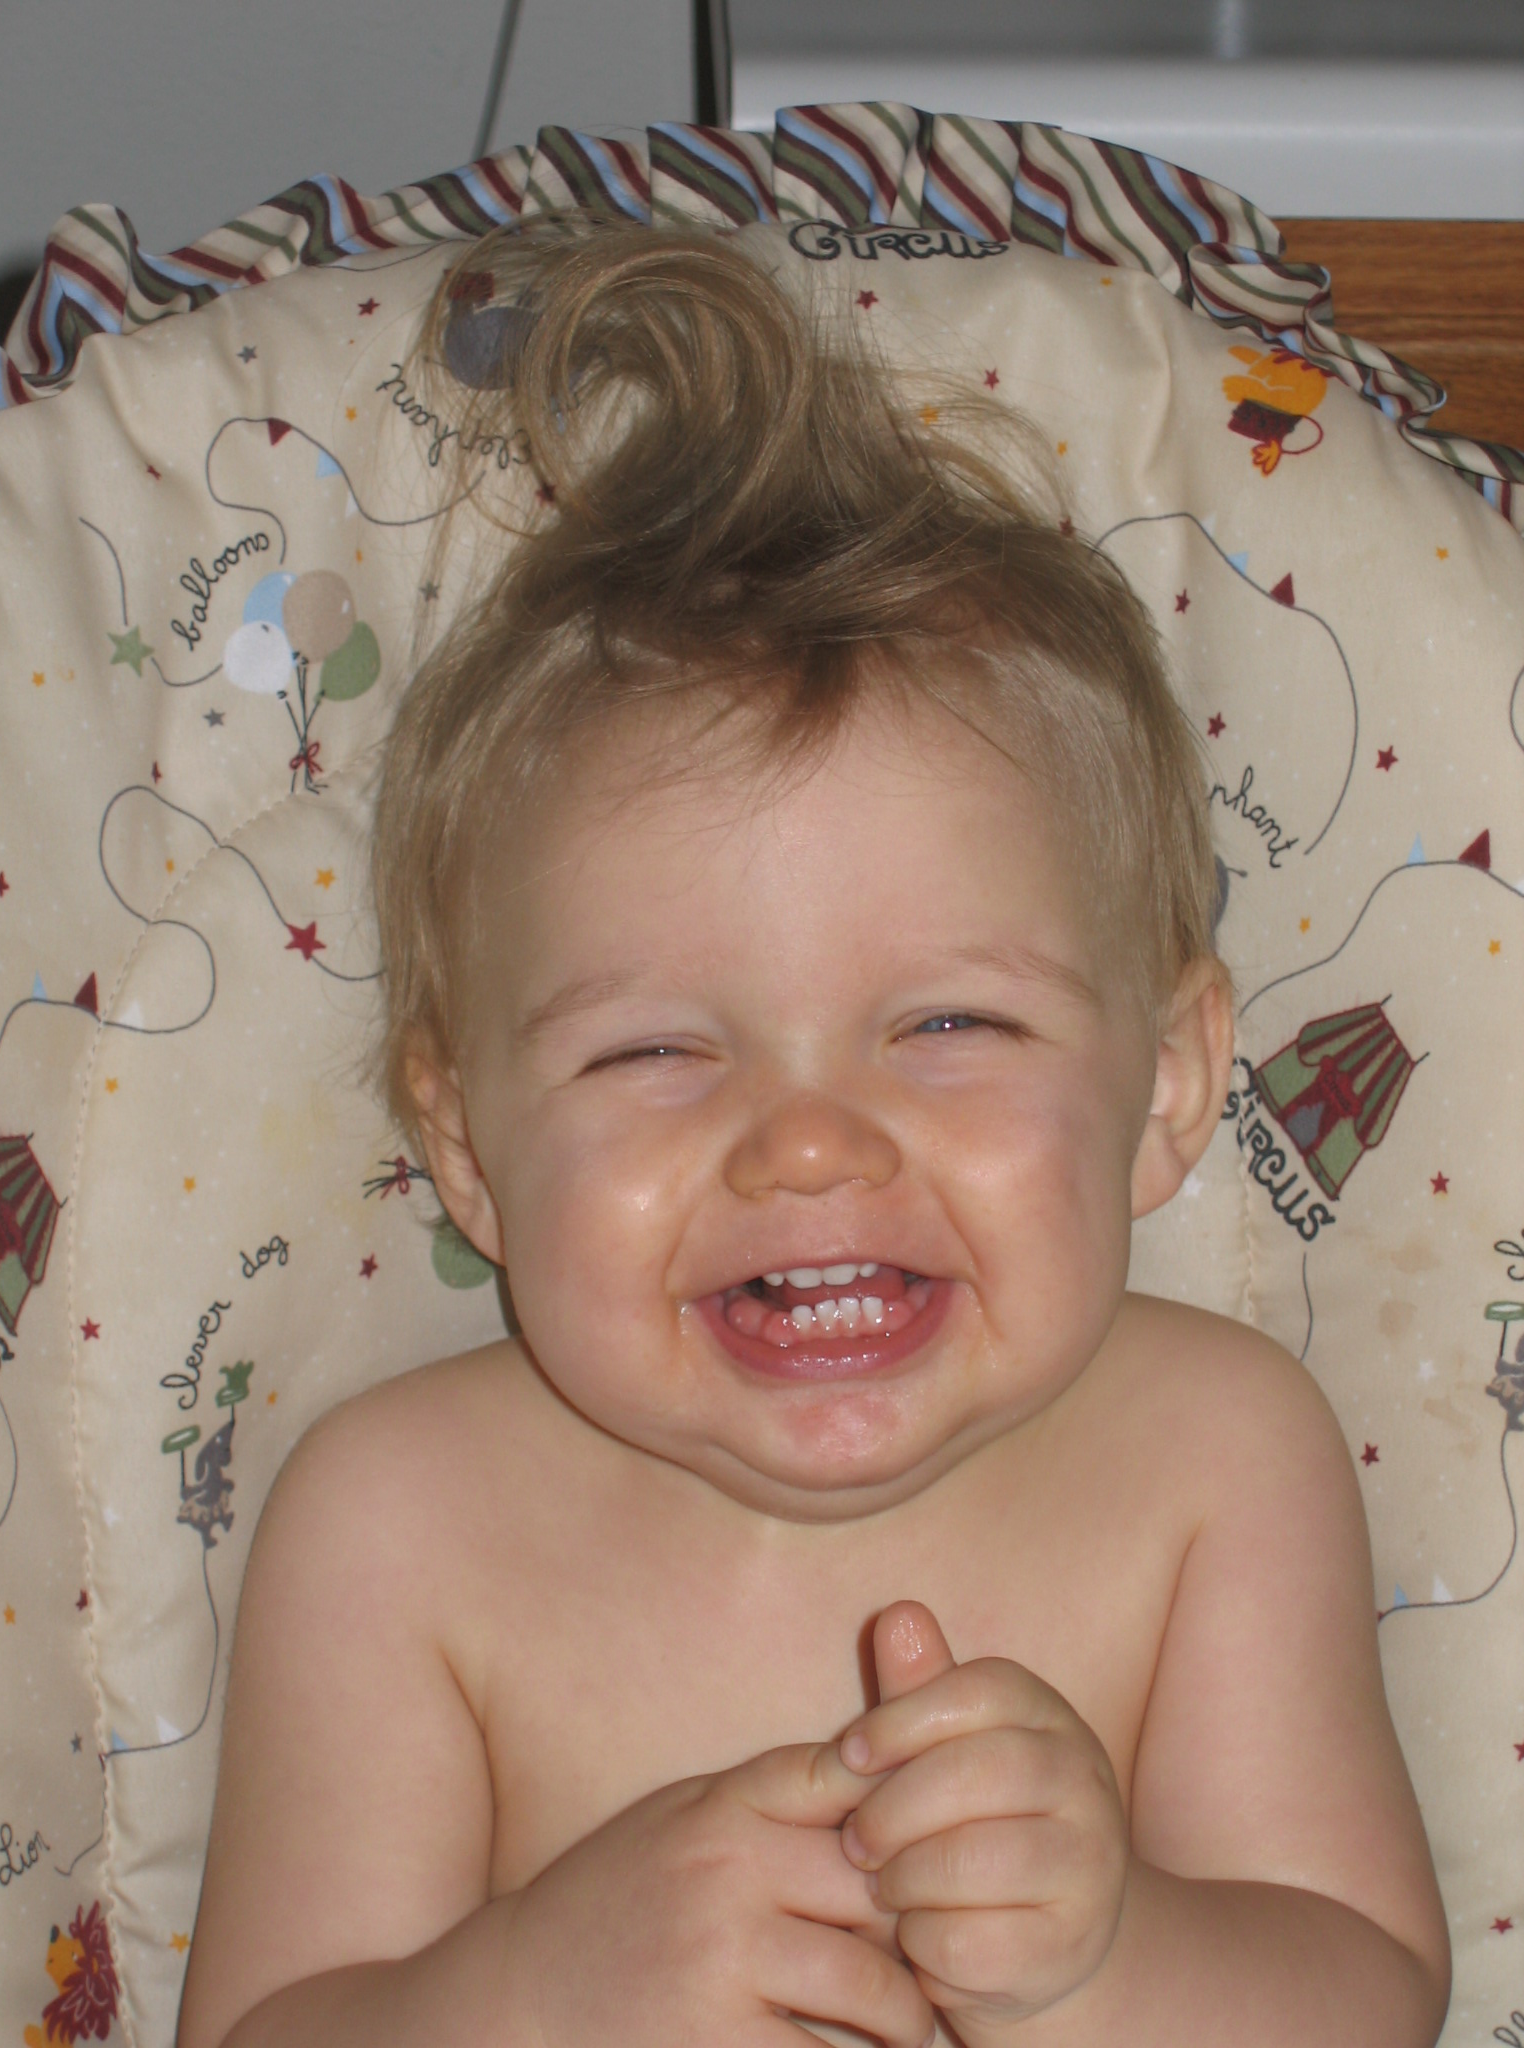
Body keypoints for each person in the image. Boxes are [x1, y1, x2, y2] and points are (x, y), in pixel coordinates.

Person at [176, 219, 1450, 2048]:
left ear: (1170, 1088)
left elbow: (1367, 1994)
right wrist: (528, 1995)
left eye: (948, 1025)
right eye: (655, 1052)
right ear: (465, 1154)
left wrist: (1111, 1962)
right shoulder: (396, 1532)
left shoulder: (1217, 1465)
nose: (806, 1147)